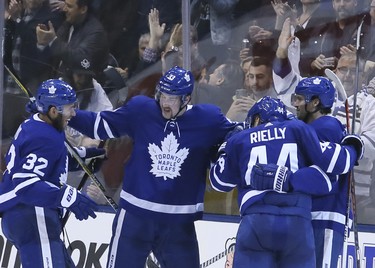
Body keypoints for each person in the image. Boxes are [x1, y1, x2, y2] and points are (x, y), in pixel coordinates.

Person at [68, 66, 238, 267]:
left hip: (179, 224)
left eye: (172, 98)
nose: (164, 103)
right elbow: (100, 124)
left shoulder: (208, 119)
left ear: (186, 99)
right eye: (162, 95)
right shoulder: (141, 109)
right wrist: (68, 113)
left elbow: (238, 135)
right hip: (135, 216)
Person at [209, 96, 362, 267]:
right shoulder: (297, 129)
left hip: (256, 222)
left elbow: (219, 182)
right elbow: (331, 171)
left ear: (257, 119)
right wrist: (353, 146)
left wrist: (224, 148)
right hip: (297, 223)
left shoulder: (241, 138)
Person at [252, 77, 351, 267]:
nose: (295, 104)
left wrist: (287, 180)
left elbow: (326, 175)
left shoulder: (326, 127)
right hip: (314, 215)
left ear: (315, 102)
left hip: (325, 215)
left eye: (299, 99)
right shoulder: (313, 127)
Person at [0, 79, 98, 267]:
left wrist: (84, 156)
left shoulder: (40, 124)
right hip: (32, 213)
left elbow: (51, 159)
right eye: (70, 108)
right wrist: (68, 197)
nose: (74, 113)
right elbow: (26, 185)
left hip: (24, 214)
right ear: (53, 111)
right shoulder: (44, 136)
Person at [36, 0, 109, 83]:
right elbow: (54, 55)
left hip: (82, 90)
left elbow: (81, 61)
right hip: (55, 82)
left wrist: (52, 41)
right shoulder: (68, 23)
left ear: (83, 9)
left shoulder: (96, 34)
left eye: (69, 6)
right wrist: (43, 42)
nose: (64, 9)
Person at [226, 56, 277, 121]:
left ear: (271, 78)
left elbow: (289, 126)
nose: (255, 82)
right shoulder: (243, 104)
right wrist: (229, 117)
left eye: (260, 77)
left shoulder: (283, 100)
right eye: (251, 77)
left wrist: (260, 110)